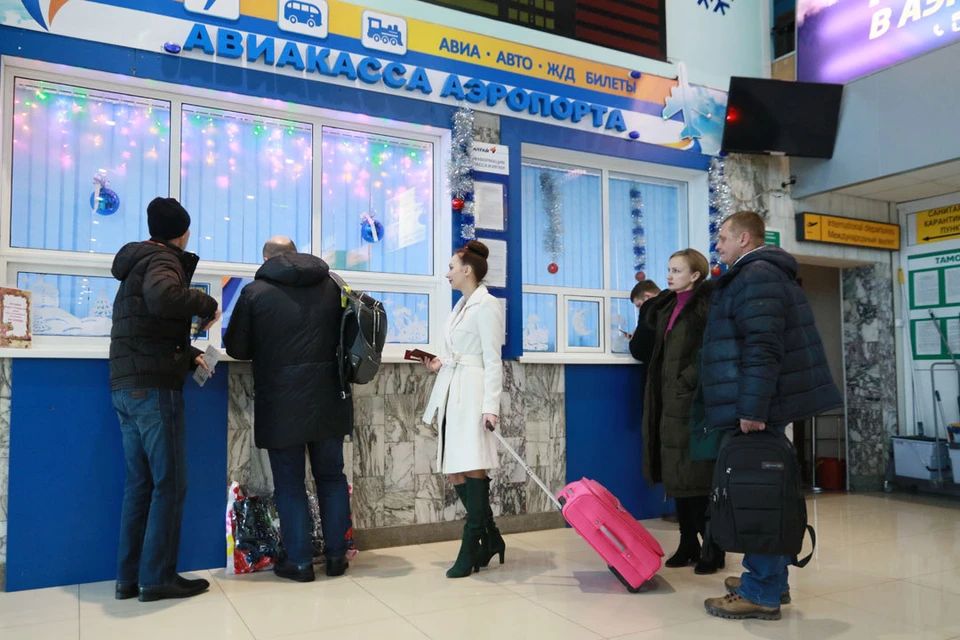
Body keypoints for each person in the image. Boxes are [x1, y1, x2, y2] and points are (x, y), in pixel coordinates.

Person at [701, 211, 842, 620]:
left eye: (723, 237)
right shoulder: (757, 272)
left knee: (758, 497)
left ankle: (760, 589)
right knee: (766, 493)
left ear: (745, 238)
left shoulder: (756, 274)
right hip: (765, 404)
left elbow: (763, 347)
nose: (718, 245)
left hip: (761, 407)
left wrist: (752, 408)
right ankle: (771, 581)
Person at [110, 197, 220, 603]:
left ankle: (129, 578)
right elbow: (164, 298)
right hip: (153, 390)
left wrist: (186, 352)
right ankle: (156, 579)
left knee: (140, 485)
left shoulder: (136, 262)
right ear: (183, 232)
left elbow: (147, 322)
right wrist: (205, 302)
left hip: (126, 386)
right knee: (169, 485)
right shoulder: (163, 260)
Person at [223, 236, 353, 582]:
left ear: (266, 258)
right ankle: (338, 557)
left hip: (282, 402)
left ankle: (299, 562)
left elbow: (236, 347)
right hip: (329, 395)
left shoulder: (256, 292)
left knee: (290, 484)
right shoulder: (332, 286)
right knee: (331, 477)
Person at [421, 241, 506, 579]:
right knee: (455, 470)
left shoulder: (486, 305)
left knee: (473, 468)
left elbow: (492, 360)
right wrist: (440, 362)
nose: (447, 273)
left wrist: (491, 407)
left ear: (467, 270)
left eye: (452, 267)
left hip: (473, 394)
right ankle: (492, 537)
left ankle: (472, 543)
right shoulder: (461, 305)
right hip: (453, 390)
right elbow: (459, 352)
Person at [636, 250, 723, 574]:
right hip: (666, 400)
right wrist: (648, 310)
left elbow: (712, 351)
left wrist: (686, 382)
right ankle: (688, 542)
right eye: (668, 269)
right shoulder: (667, 306)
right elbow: (645, 351)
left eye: (677, 270)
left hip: (692, 401)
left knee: (697, 476)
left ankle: (712, 545)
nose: (669, 276)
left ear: (696, 275)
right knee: (676, 473)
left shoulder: (706, 306)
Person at [628, 279, 661, 369]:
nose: (639, 309)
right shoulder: (673, 305)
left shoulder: (649, 310)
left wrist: (633, 339)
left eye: (639, 305)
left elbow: (638, 351)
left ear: (647, 296)